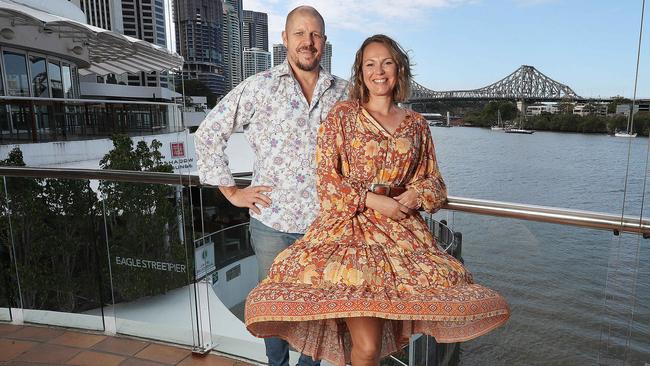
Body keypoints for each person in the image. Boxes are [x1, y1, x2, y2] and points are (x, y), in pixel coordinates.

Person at [245, 34, 510, 366]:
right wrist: (373, 201)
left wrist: (416, 193)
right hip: (350, 235)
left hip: (402, 238)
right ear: (360, 72)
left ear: (399, 69)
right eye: (370, 64)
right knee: (368, 346)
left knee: (384, 338)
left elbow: (435, 182)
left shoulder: (417, 125)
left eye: (387, 63)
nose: (379, 71)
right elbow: (327, 181)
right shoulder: (342, 116)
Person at [194, 5, 348, 366]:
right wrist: (232, 192)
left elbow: (366, 146)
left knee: (320, 310)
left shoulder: (346, 92)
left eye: (314, 35)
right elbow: (209, 133)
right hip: (271, 224)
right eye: (299, 34)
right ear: (284, 40)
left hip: (325, 228)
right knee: (274, 309)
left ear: (324, 41)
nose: (307, 42)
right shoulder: (258, 87)